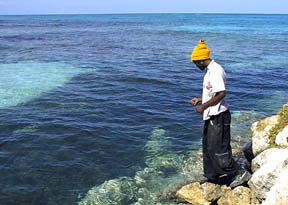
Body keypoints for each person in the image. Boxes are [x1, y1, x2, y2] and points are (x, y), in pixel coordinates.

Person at [189, 39, 251, 187]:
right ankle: (212, 176)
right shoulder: (209, 70)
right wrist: (200, 99)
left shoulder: (216, 71)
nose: (195, 66)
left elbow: (221, 93)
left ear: (202, 60)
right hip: (212, 115)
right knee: (207, 146)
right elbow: (212, 92)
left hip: (219, 116)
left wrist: (203, 106)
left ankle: (238, 173)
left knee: (218, 148)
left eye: (195, 63)